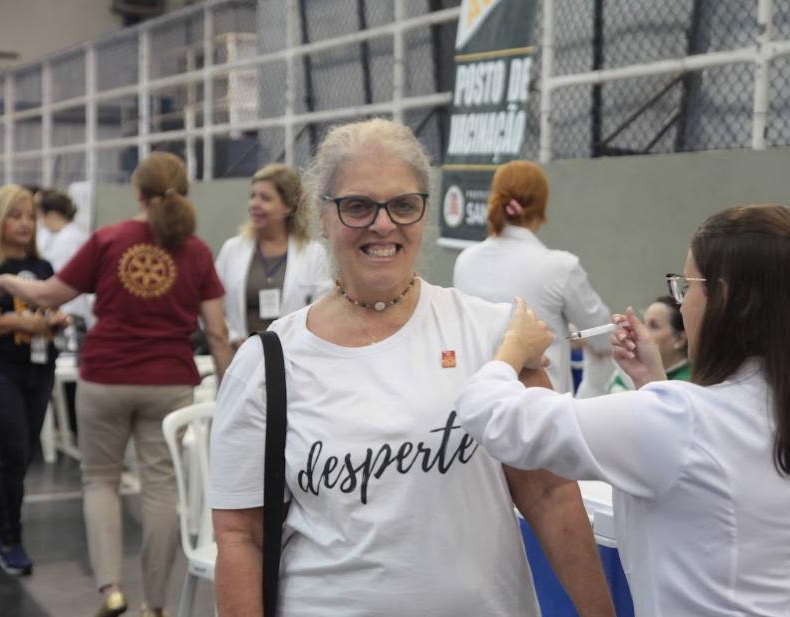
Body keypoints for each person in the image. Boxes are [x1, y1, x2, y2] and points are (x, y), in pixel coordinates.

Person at [209, 118, 615, 617]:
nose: (383, 224)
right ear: (323, 217)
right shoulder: (267, 363)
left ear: (425, 213)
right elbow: (240, 534)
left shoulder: (493, 337)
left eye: (403, 205)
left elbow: (552, 497)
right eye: (358, 206)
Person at [455, 204, 790, 617]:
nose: (682, 306)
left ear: (724, 297)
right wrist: (652, 383)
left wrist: (513, 346)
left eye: (686, 288)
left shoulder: (681, 421)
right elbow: (705, 489)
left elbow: (493, 415)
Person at [0, 152, 233, 617]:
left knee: (99, 480)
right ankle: (156, 605)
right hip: (169, 381)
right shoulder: (198, 251)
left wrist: (4, 280)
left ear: (137, 193)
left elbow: (47, 295)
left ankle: (112, 591)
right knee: (161, 487)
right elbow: (218, 333)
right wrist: (229, 391)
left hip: (105, 377)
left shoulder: (109, 239)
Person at [453, 160, 611, 394]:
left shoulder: (465, 261)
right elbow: (604, 336)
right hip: (541, 412)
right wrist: (578, 335)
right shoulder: (559, 267)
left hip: (478, 404)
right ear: (542, 205)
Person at [0, 185, 69, 576]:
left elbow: (52, 310)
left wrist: (52, 323)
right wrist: (23, 321)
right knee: (14, 451)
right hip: (0, 370)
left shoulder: (44, 269)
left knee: (21, 457)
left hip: (40, 368)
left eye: (30, 216)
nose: (24, 223)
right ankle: (10, 537)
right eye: (15, 215)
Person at [215, 164, 331, 349]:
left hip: (294, 355)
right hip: (241, 354)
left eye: (265, 198)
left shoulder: (313, 254)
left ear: (288, 207)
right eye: (252, 196)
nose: (254, 204)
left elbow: (325, 311)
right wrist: (232, 337)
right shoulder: (232, 250)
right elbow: (211, 307)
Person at [35, 188, 93, 328]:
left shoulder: (68, 240)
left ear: (52, 214)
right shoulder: (61, 236)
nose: (40, 221)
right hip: (65, 309)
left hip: (70, 312)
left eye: (39, 215)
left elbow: (60, 280)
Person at [606, 296, 688, 392]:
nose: (642, 331)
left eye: (654, 326)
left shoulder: (689, 386)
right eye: (643, 323)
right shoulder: (627, 371)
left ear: (679, 339)